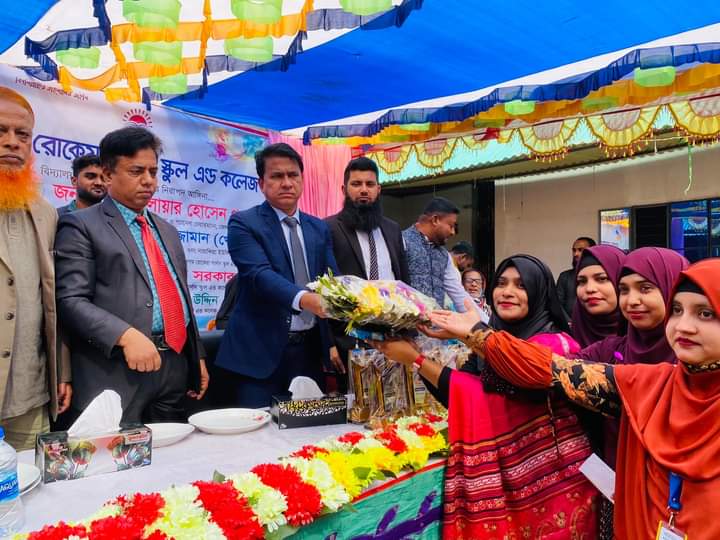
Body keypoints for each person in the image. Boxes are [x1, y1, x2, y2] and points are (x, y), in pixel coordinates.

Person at [432, 257, 720, 540]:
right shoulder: (650, 383)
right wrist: (476, 334)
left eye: (705, 314)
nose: (683, 326)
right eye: (677, 310)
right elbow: (552, 370)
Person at [372, 255, 598, 539]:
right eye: (501, 283)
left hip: (557, 490)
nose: (507, 292)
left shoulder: (556, 345)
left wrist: (418, 359)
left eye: (521, 285)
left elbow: (497, 393)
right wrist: (417, 354)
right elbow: (458, 393)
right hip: (517, 489)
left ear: (540, 292)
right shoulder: (491, 342)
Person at [55, 127, 208, 423]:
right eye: (136, 171)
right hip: (114, 371)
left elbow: (181, 296)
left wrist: (196, 355)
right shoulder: (80, 225)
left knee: (175, 449)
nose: (148, 180)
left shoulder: (167, 230)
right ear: (107, 174)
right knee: (118, 451)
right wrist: (124, 336)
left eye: (153, 171)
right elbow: (70, 300)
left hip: (173, 366)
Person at [215, 143, 338, 407]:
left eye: (293, 175)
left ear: (302, 180)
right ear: (261, 183)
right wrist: (306, 299)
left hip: (308, 353)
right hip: (259, 354)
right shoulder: (244, 223)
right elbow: (258, 275)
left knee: (309, 429)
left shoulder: (319, 228)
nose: (286, 183)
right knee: (258, 429)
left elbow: (332, 280)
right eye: (277, 176)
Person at [0, 87, 71, 449]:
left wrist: (62, 370)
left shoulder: (45, 213)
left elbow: (52, 300)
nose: (12, 142)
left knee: (32, 482)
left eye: (22, 134)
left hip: (29, 396)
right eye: (1, 131)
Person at [325, 156, 410, 386]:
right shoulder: (328, 228)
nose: (364, 190)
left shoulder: (392, 229)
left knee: (394, 400)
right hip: (348, 341)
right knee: (356, 403)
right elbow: (321, 289)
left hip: (393, 338)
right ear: (344, 189)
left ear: (378, 190)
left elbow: (404, 282)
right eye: (356, 184)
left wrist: (409, 334)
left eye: (370, 184)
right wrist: (328, 343)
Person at [402, 197, 477, 314]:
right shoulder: (401, 241)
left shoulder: (444, 255)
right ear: (435, 220)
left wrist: (484, 322)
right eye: (451, 226)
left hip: (436, 324)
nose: (453, 232)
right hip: (405, 323)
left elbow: (459, 294)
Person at [572, 245, 627, 348]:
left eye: (602, 279)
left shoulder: (651, 341)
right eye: (582, 281)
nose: (589, 289)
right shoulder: (564, 343)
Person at [556, 236, 596, 317]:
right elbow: (558, 304)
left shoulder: (601, 276)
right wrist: (567, 322)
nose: (575, 254)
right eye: (574, 250)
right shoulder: (565, 276)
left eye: (580, 250)